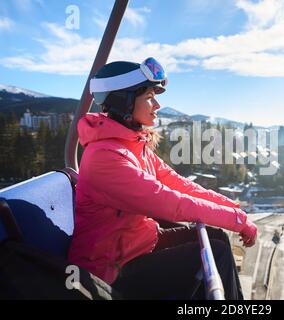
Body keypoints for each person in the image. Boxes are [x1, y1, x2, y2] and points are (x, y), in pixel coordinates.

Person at [68, 57, 257, 300]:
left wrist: (231, 207)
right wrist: (238, 221)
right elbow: (172, 203)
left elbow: (178, 183)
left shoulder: (133, 146)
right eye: (148, 97)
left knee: (216, 237)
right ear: (123, 101)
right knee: (215, 254)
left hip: (138, 245)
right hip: (111, 270)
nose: (156, 105)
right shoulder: (106, 158)